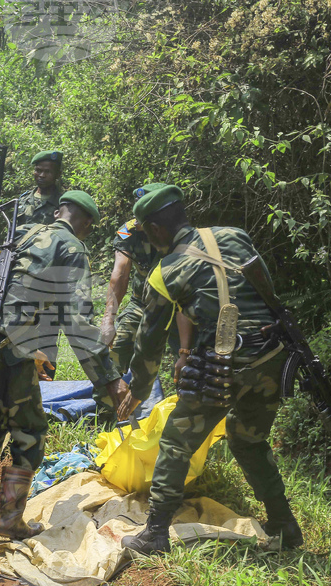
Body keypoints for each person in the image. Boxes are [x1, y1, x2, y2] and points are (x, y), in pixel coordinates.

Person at [116, 184, 303, 554]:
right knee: (248, 439)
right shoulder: (235, 236)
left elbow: (149, 343)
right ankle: (285, 525)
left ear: (153, 230)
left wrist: (138, 388)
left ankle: (154, 534)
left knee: (175, 442)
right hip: (271, 359)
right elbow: (262, 294)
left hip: (222, 366)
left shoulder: (163, 272)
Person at [0, 191, 127, 539]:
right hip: (8, 346)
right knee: (29, 431)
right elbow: (77, 322)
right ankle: (10, 521)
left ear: (60, 210)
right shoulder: (72, 248)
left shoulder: (26, 233)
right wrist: (110, 380)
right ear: (85, 222)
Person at [94, 183, 180, 417]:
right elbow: (120, 273)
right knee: (116, 349)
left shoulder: (177, 232)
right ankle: (105, 413)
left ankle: (189, 414)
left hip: (177, 307)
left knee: (187, 356)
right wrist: (108, 320)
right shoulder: (127, 230)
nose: (136, 218)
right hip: (141, 303)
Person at [14, 151, 65, 227]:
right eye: (38, 170)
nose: (42, 175)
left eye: (47, 172)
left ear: (58, 174)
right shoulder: (24, 200)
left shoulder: (62, 204)